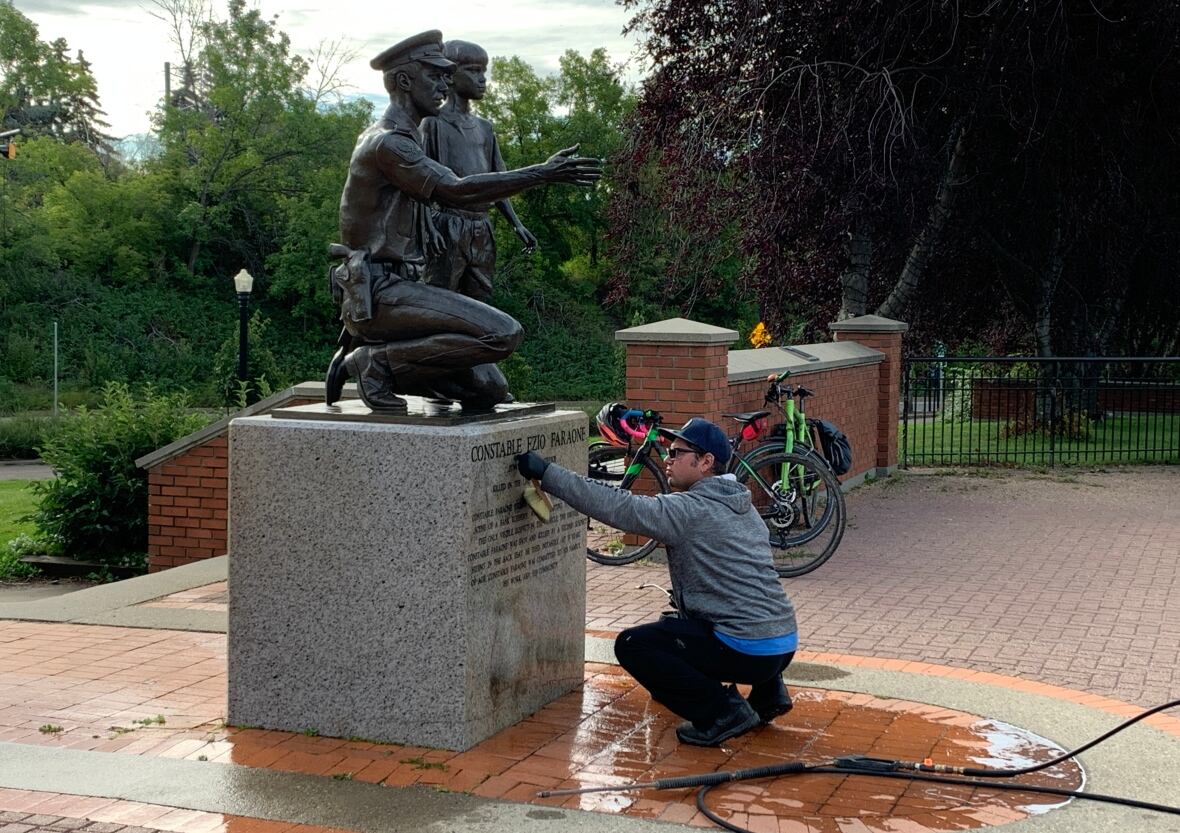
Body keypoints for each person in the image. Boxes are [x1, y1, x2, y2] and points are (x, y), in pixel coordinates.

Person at [325, 31, 601, 413]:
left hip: (398, 284)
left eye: (446, 76)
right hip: (380, 291)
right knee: (504, 332)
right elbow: (456, 190)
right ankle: (376, 364)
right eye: (434, 76)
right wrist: (542, 172)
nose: (444, 85)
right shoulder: (389, 143)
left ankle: (384, 362)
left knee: (488, 388)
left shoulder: (404, 137)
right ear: (404, 82)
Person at [516, 417, 798, 746]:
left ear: (706, 462)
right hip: (783, 643)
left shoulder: (688, 509)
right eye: (668, 451)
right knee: (682, 623)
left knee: (635, 646)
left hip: (745, 650)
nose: (668, 458)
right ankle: (769, 694)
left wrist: (547, 474)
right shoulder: (743, 506)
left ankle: (723, 712)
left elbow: (618, 506)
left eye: (678, 453)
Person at [420, 40, 537, 302]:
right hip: (447, 225)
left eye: (483, 71)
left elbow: (500, 182)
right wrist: (428, 228)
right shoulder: (432, 124)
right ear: (449, 76)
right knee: (440, 302)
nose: (482, 79)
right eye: (473, 71)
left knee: (480, 303)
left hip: (482, 229)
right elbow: (421, 186)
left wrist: (516, 225)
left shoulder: (485, 128)